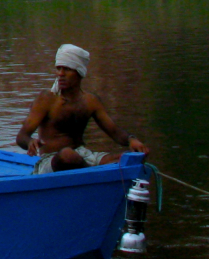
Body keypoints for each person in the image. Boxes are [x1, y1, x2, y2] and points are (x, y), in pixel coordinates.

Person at [16, 44, 149, 173]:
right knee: (67, 154)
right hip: (51, 160)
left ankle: (91, 172)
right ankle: (94, 174)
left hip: (83, 156)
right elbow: (22, 136)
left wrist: (132, 140)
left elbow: (114, 131)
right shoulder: (46, 99)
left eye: (67, 69)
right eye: (58, 68)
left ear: (79, 72)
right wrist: (30, 142)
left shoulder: (90, 101)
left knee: (130, 158)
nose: (60, 74)